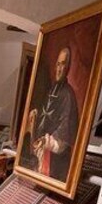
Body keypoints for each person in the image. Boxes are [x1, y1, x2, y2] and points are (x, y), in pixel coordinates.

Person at [30, 46, 78, 181]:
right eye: (58, 64)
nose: (59, 69)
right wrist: (35, 113)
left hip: (56, 160)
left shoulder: (68, 94)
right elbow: (46, 115)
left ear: (68, 68)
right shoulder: (52, 89)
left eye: (63, 65)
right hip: (42, 152)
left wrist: (47, 141)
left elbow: (65, 128)